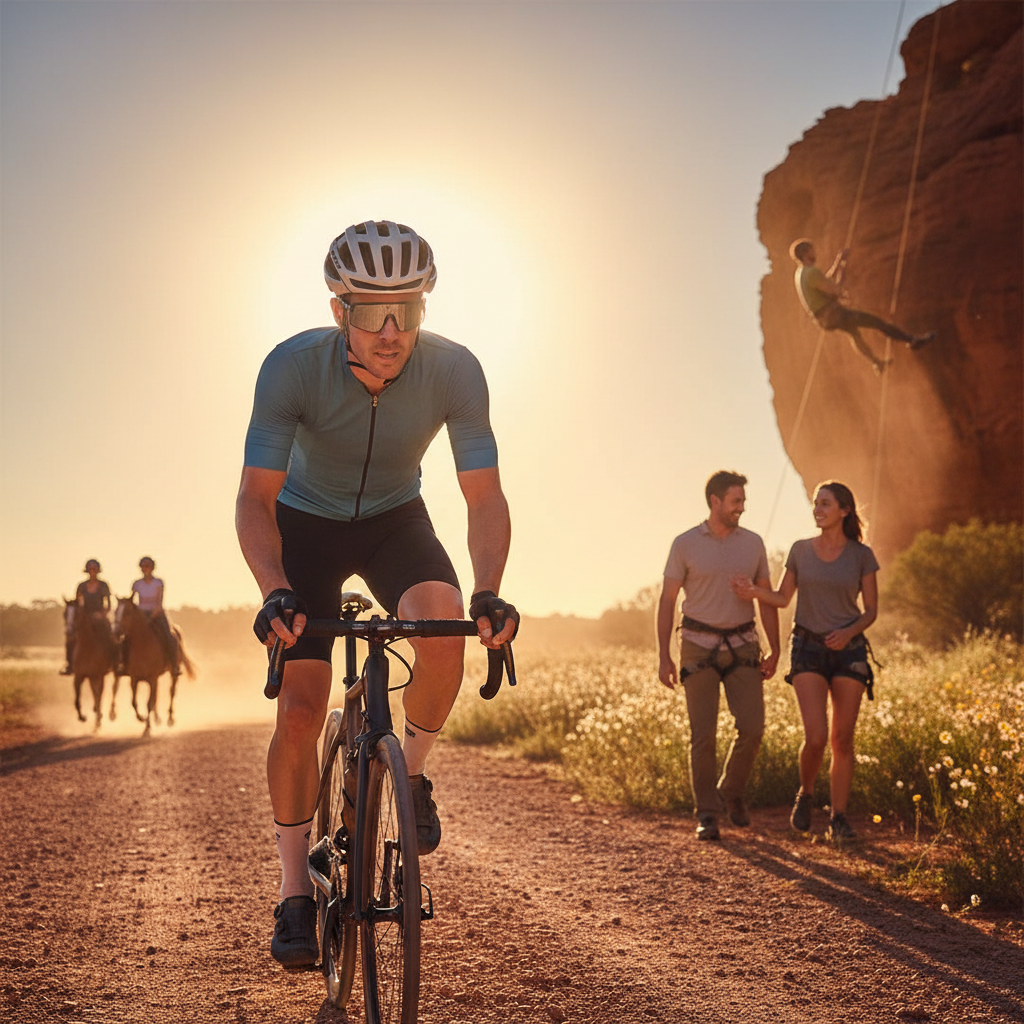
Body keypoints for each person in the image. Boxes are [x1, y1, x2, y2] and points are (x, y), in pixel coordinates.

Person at [236, 219, 517, 968]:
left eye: (408, 310)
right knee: (299, 711)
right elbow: (254, 500)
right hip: (305, 527)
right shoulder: (291, 369)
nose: (390, 331)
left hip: (398, 520)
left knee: (445, 634)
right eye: (369, 311)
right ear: (339, 313)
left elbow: (483, 496)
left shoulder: (456, 371)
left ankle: (412, 772)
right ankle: (296, 889)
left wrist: (488, 589)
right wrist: (275, 590)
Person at [732, 481, 878, 843]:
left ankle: (839, 818)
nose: (817, 509)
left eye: (825, 504)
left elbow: (872, 611)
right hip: (808, 647)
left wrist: (847, 634)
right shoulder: (800, 550)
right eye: (815, 503)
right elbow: (782, 598)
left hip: (850, 650)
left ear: (844, 511)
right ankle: (807, 792)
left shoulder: (862, 555)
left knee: (842, 738)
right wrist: (753, 592)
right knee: (815, 737)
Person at [656, 471, 780, 841]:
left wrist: (775, 648)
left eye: (743, 501)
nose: (742, 508)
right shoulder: (685, 543)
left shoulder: (754, 544)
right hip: (697, 645)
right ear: (715, 502)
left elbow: (768, 598)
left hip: (743, 644)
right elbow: (667, 601)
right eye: (735, 501)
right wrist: (664, 656)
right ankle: (707, 813)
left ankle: (732, 790)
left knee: (753, 728)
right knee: (703, 736)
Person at [789, 239, 934, 374]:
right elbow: (836, 289)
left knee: (854, 333)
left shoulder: (801, 273)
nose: (815, 252)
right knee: (878, 323)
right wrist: (843, 269)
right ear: (805, 253)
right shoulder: (811, 272)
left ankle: (876, 362)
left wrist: (838, 262)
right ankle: (912, 340)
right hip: (834, 315)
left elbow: (824, 281)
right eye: (812, 250)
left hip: (825, 320)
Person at [121, 556, 178, 675]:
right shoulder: (136, 584)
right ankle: (123, 664)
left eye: (148, 566)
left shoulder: (158, 583)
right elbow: (132, 599)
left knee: (169, 636)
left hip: (157, 614)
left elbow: (159, 601)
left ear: (152, 568)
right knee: (126, 637)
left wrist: (152, 615)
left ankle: (174, 665)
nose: (146, 569)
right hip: (141, 614)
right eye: (144, 567)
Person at [62, 558, 114, 674]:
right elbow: (78, 603)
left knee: (111, 637)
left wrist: (102, 614)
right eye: (90, 569)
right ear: (87, 571)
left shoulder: (104, 586)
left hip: (100, 618)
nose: (92, 571)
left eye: (94, 569)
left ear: (98, 570)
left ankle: (113, 663)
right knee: (71, 639)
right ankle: (69, 664)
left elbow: (109, 605)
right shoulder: (81, 586)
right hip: (85, 618)